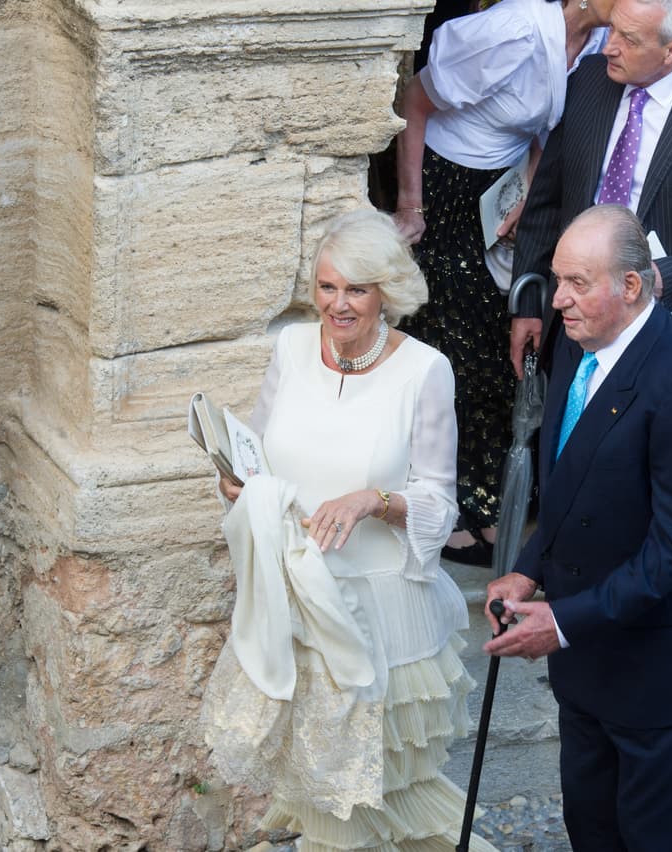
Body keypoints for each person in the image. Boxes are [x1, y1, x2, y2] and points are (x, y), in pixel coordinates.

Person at [201, 210, 498, 852]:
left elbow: (441, 507)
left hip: (384, 615)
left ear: (386, 292)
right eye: (327, 286)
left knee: (390, 795)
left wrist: (374, 499)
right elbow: (257, 453)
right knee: (325, 797)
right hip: (302, 603)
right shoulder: (289, 349)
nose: (338, 304)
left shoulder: (425, 371)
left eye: (356, 290)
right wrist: (240, 486)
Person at [484, 205, 672, 852]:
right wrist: (530, 566)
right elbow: (569, 484)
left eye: (577, 282)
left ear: (633, 287)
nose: (557, 299)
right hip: (592, 660)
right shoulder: (576, 344)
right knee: (591, 827)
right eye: (557, 280)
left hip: (664, 669)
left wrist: (557, 622)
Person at [391, 0, 613, 565]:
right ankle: (451, 509)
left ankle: (489, 501)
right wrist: (410, 206)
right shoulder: (512, 31)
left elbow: (546, 132)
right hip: (444, 190)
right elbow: (413, 100)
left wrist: (530, 191)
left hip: (501, 194)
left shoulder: (595, 41)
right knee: (454, 350)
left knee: (497, 343)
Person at [509, 0, 672, 394]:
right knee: (569, 446)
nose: (609, 47)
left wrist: (657, 279)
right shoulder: (588, 80)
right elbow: (548, 201)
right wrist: (529, 304)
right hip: (575, 318)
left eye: (628, 39)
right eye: (613, 29)